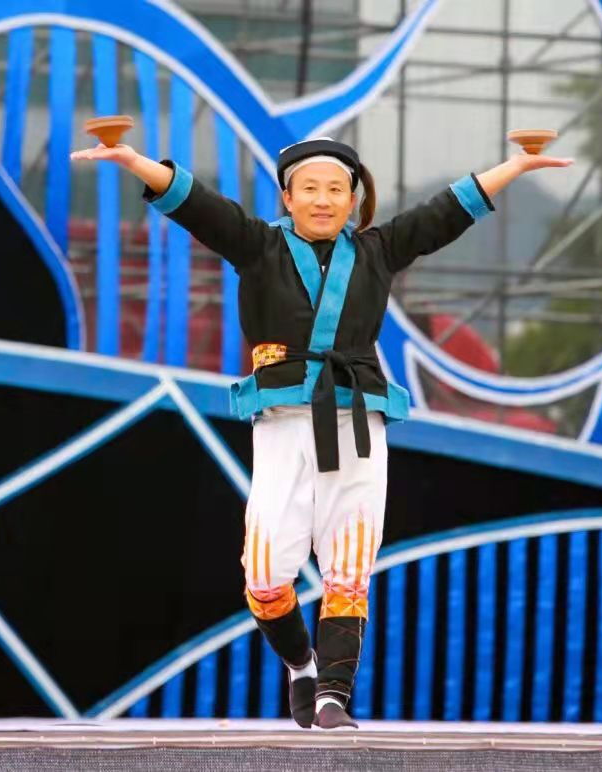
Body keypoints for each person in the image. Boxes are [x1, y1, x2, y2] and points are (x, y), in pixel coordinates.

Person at [71, 135, 572, 728]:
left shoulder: (378, 250)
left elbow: (445, 212)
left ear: (353, 200)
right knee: (264, 578)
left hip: (357, 421)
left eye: (336, 189)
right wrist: (131, 160)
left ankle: (334, 694)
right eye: (309, 188)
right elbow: (196, 204)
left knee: (349, 563)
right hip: (283, 423)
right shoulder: (258, 245)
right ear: (288, 197)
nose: (323, 199)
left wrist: (515, 166)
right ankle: (301, 664)